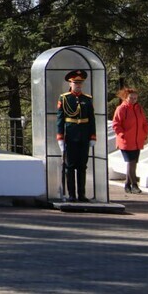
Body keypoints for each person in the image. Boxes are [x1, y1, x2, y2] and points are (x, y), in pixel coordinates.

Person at [56, 69, 96, 202]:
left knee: (82, 166)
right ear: (70, 84)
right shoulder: (65, 98)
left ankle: (82, 194)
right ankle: (71, 195)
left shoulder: (87, 99)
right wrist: (60, 137)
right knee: (70, 166)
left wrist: (92, 136)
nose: (78, 86)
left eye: (80, 83)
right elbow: (60, 119)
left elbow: (91, 119)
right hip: (71, 136)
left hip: (84, 137)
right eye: (75, 83)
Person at [112, 87, 148, 194]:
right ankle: (134, 185)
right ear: (126, 97)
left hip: (137, 140)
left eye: (135, 98)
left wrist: (144, 134)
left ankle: (127, 184)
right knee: (131, 162)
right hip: (126, 141)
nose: (133, 99)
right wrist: (122, 134)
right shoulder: (121, 109)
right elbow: (116, 124)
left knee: (134, 162)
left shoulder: (139, 108)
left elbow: (144, 122)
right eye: (131, 97)